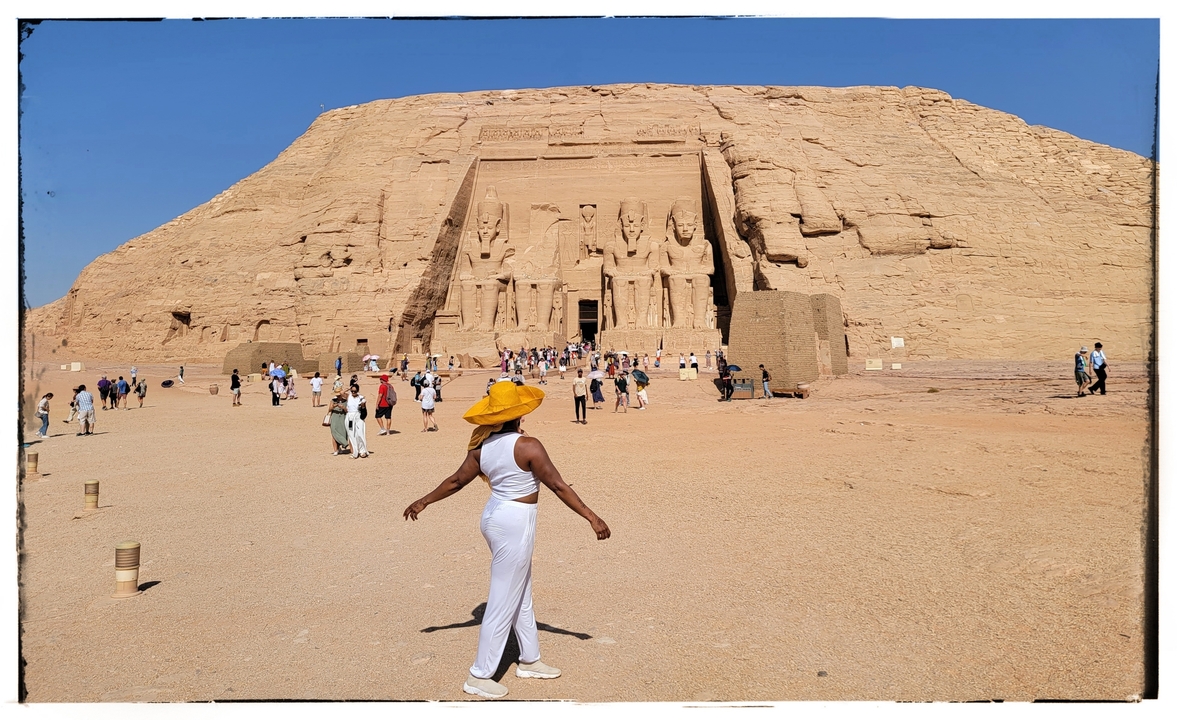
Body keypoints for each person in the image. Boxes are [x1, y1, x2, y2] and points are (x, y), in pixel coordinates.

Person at [403, 381, 610, 700]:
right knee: (502, 600)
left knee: (520, 593)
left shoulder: (482, 448)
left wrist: (424, 500)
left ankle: (529, 658)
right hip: (514, 523)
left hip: (494, 517)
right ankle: (480, 675)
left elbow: (457, 481)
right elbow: (558, 486)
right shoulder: (528, 446)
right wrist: (592, 517)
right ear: (518, 414)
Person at [346, 385, 369, 458]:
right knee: (351, 434)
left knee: (360, 433)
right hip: (350, 416)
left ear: (358, 391)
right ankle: (355, 452)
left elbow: (364, 408)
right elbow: (341, 393)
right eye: (352, 391)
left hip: (358, 416)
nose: (353, 393)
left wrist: (362, 405)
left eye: (355, 391)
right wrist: (348, 388)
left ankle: (363, 451)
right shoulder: (349, 396)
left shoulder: (361, 398)